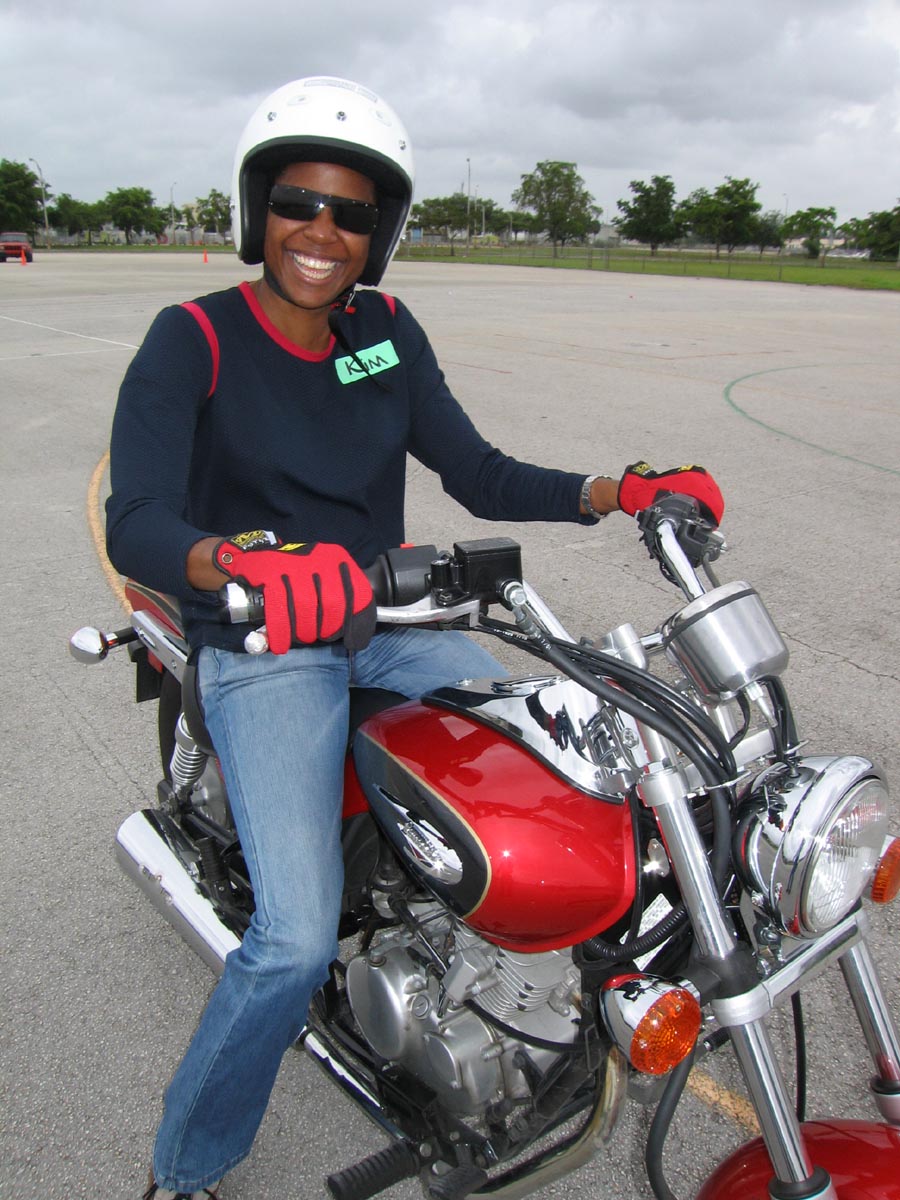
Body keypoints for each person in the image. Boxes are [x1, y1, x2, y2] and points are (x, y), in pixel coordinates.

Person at [106, 76, 724, 1200]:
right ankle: (183, 1167)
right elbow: (137, 518)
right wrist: (241, 564)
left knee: (557, 776)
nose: (321, 231)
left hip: (391, 623)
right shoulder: (193, 338)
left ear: (379, 232)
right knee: (293, 943)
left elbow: (477, 471)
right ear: (258, 208)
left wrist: (619, 490)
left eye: (350, 212)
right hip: (267, 642)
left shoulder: (384, 335)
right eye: (297, 202)